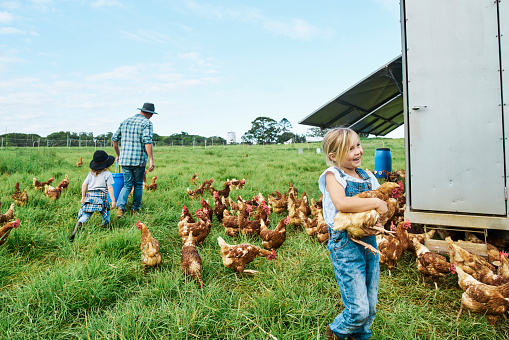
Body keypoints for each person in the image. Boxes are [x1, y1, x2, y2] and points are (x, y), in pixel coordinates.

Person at [318, 128, 388, 340]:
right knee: (358, 310)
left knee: (369, 309)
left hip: (369, 242)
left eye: (358, 145)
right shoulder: (333, 175)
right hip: (346, 244)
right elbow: (342, 203)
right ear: (333, 157)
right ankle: (336, 332)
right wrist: (377, 202)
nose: (358, 151)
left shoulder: (367, 176)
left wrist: (382, 217)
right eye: (350, 149)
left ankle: (359, 337)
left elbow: (383, 206)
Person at [112, 102, 157, 217]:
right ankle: (135, 209)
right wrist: (151, 159)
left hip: (125, 159)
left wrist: (118, 154)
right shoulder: (147, 123)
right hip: (139, 160)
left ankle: (120, 208)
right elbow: (147, 140)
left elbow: (114, 139)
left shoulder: (125, 121)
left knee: (127, 184)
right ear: (150, 113)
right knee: (137, 184)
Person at [70, 150, 116, 241]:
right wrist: (113, 201)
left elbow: (84, 185)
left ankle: (81, 222)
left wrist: (83, 197)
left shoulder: (90, 174)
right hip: (101, 196)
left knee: (86, 213)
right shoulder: (107, 174)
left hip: (90, 196)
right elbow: (110, 188)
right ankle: (105, 226)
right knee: (105, 212)